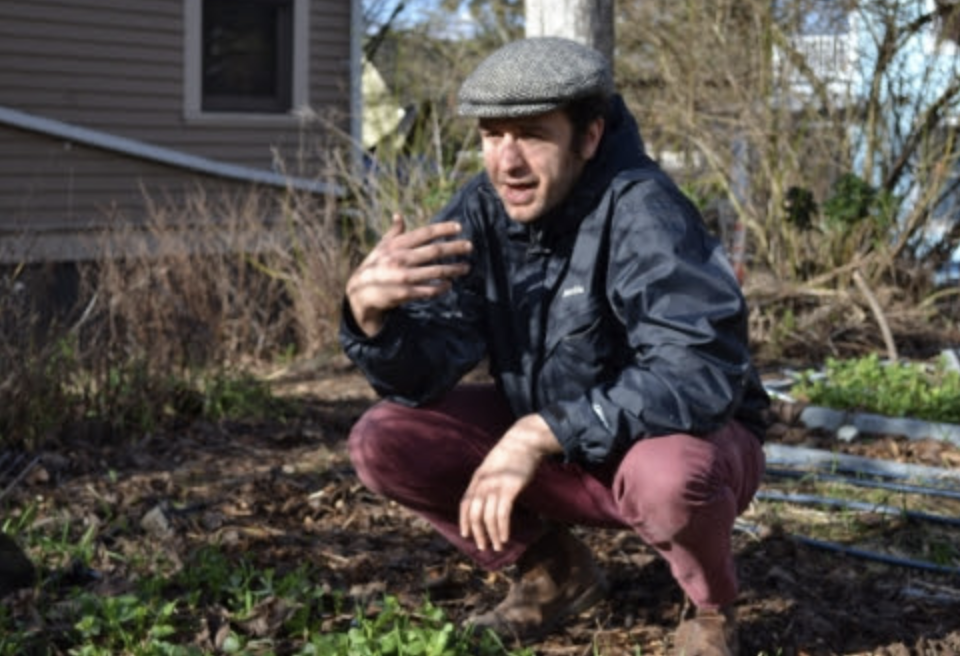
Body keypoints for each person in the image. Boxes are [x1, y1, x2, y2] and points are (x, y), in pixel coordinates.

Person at [339, 36, 769, 656]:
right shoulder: (483, 211)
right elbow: (427, 370)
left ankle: (711, 609)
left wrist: (539, 431)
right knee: (385, 439)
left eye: (532, 135)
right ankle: (555, 572)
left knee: (669, 478)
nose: (506, 162)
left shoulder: (647, 211)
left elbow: (699, 375)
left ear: (588, 137)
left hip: (679, 446)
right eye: (492, 135)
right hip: (562, 445)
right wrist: (372, 320)